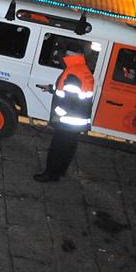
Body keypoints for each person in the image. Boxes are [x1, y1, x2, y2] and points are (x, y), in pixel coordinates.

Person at [34, 53, 94, 182]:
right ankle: (60, 171)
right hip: (77, 120)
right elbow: (72, 93)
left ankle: (50, 174)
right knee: (69, 147)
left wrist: (58, 114)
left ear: (68, 57)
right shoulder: (84, 70)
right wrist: (51, 89)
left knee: (58, 148)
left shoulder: (72, 73)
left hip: (67, 120)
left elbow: (69, 100)